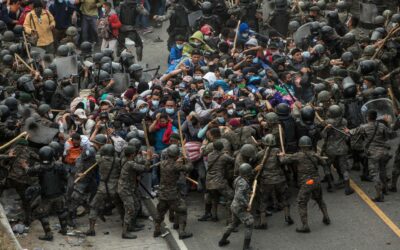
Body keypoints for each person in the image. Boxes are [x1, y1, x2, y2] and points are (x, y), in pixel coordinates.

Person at [279, 136, 331, 233]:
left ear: (300, 145)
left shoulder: (298, 155)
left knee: (301, 203)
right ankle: (326, 217)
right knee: (320, 200)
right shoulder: (315, 155)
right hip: (316, 181)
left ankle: (305, 226)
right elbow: (324, 163)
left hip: (306, 183)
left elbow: (283, 161)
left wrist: (282, 155)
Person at [22, 146, 69, 241]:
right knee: (61, 211)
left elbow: (29, 172)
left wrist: (25, 166)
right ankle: (64, 230)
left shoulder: (39, 168)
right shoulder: (59, 165)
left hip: (46, 196)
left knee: (41, 214)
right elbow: (66, 177)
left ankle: (48, 234)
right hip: (59, 193)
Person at [153, 144, 193, 239]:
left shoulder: (162, 163)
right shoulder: (176, 165)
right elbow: (189, 168)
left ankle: (157, 230)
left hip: (162, 193)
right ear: (176, 155)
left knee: (160, 212)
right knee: (182, 210)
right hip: (172, 194)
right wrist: (187, 159)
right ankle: (182, 232)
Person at [218, 163, 254, 250]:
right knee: (250, 223)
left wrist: (249, 192)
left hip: (234, 206)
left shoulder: (238, 179)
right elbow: (239, 195)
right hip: (240, 207)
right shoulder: (243, 183)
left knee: (233, 224)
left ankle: (222, 241)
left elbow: (238, 190)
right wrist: (247, 204)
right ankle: (246, 247)